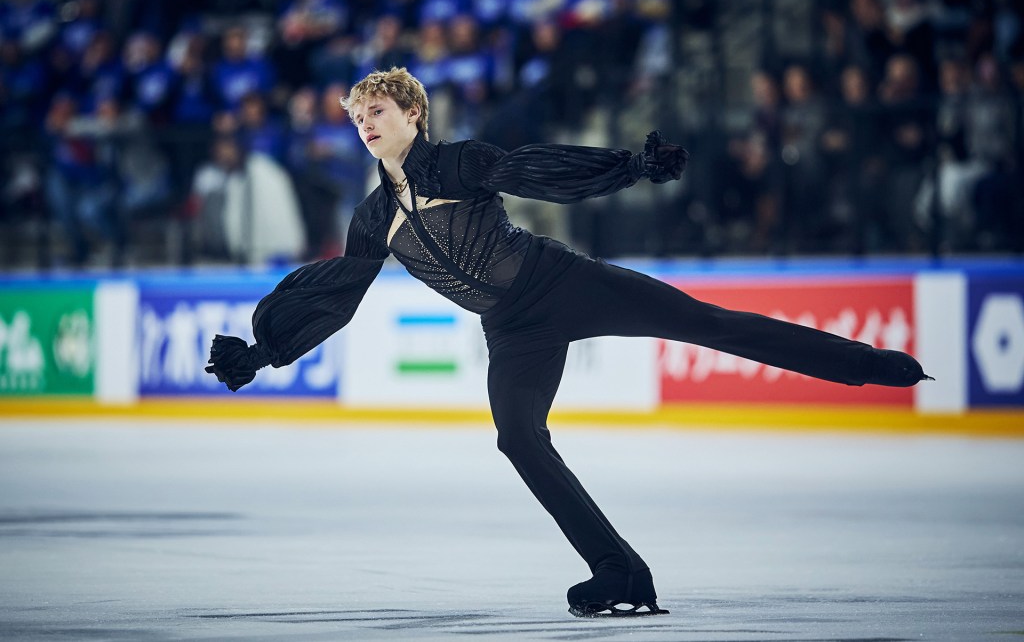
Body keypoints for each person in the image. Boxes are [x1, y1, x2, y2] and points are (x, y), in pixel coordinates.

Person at [205, 67, 933, 618]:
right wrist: (265, 352)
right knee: (518, 439)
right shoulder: (371, 220)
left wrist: (630, 167)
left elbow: (534, 171)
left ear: (413, 114)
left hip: (562, 283)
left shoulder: (456, 162)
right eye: (357, 115)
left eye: (378, 110)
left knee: (707, 323)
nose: (366, 121)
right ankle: (620, 572)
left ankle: (861, 365)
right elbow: (336, 294)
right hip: (513, 330)